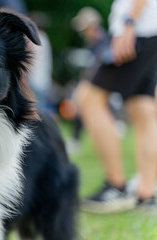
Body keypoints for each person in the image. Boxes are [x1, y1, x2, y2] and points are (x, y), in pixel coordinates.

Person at [76, 0, 157, 213]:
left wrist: (129, 23)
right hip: (149, 31)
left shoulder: (131, 25)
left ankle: (116, 186)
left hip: (135, 30)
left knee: (89, 98)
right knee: (142, 108)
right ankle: (146, 195)